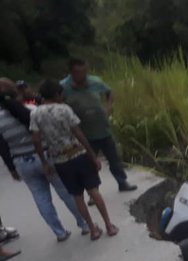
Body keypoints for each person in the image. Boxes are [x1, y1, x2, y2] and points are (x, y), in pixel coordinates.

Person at [1, 77, 89, 242]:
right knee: (66, 191)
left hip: (21, 161)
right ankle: (84, 224)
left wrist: (12, 168)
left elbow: (3, 147)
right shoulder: (31, 110)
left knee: (40, 197)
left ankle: (60, 233)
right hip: (45, 157)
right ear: (15, 93)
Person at [30, 79, 118, 241]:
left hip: (60, 160)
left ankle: (92, 229)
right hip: (78, 154)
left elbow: (36, 140)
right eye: (61, 93)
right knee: (94, 191)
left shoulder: (35, 113)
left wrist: (44, 162)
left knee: (77, 196)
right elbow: (78, 132)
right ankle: (109, 225)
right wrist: (92, 155)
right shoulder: (64, 109)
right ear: (56, 94)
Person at [60, 58, 137, 193]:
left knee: (114, 159)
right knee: (89, 164)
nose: (83, 76)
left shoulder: (95, 81)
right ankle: (93, 192)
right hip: (82, 133)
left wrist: (109, 107)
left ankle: (122, 182)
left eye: (85, 72)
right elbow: (58, 105)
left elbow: (109, 92)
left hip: (103, 129)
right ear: (71, 72)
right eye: (79, 73)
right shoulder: (63, 87)